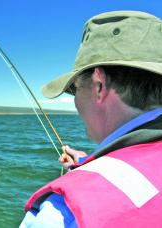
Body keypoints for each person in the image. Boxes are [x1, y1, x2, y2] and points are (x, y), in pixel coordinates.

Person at [20, 10, 162, 227]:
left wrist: (92, 176)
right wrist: (90, 165)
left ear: (99, 85)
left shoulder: (59, 214)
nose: (76, 100)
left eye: (75, 88)